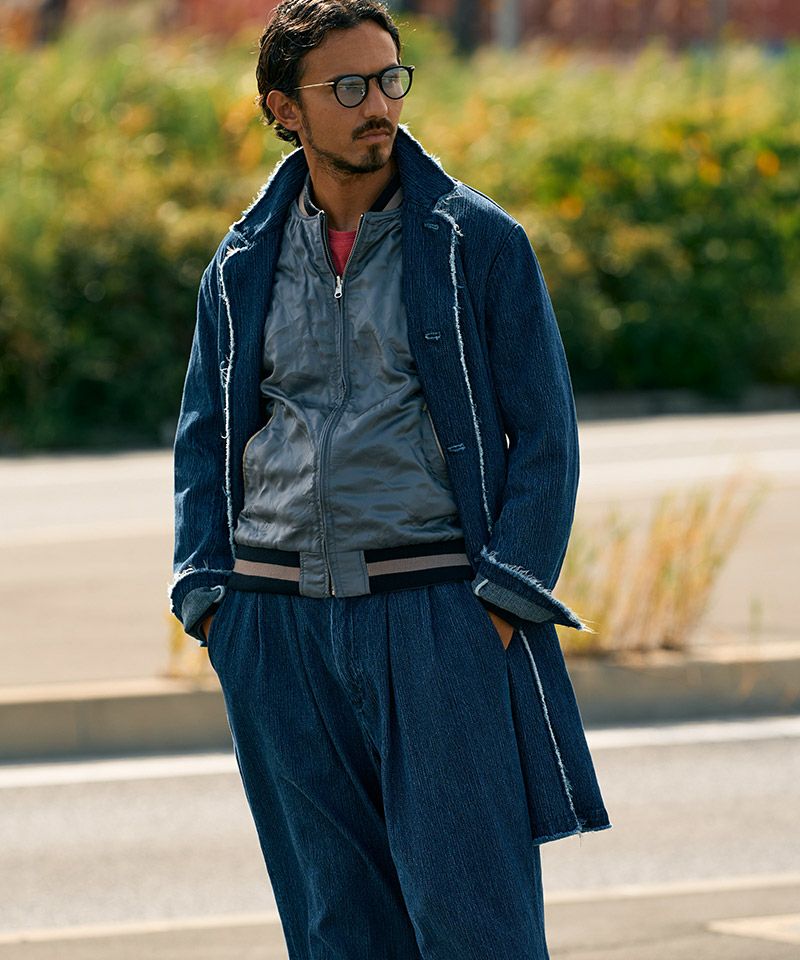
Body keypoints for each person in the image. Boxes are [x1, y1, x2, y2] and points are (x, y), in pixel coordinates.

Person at [168, 0, 612, 956]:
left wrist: (501, 601)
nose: (379, 105)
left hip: (434, 616)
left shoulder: (476, 243)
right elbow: (205, 436)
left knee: (473, 925)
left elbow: (547, 434)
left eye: (389, 79)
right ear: (284, 108)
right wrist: (209, 598)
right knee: (336, 929)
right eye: (348, 86)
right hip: (275, 625)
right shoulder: (240, 261)